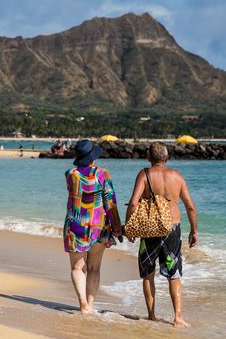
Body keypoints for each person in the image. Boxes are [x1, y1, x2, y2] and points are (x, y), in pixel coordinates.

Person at [125, 143, 198, 328]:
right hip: (172, 229)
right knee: (174, 274)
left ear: (149, 158)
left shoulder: (144, 174)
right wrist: (194, 230)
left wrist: (129, 227)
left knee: (148, 274)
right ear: (166, 158)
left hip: (150, 229)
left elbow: (133, 203)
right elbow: (190, 206)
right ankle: (178, 317)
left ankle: (151, 315)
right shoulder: (177, 176)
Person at [63, 139, 123, 314]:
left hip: (76, 225)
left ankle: (82, 302)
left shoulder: (70, 173)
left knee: (77, 267)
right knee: (94, 267)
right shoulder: (103, 174)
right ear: (92, 156)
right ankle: (90, 304)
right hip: (98, 226)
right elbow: (110, 202)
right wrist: (117, 227)